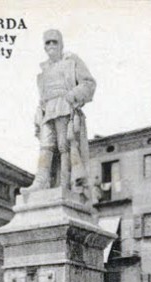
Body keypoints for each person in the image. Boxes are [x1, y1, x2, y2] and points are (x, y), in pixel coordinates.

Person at [23, 29, 99, 201]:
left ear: (61, 44)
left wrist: (73, 95)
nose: (50, 46)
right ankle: (41, 181)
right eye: (47, 42)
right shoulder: (44, 70)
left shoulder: (72, 61)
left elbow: (89, 83)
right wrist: (38, 111)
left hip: (65, 105)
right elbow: (43, 96)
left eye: (54, 42)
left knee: (65, 146)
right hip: (47, 109)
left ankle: (65, 183)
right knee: (46, 145)